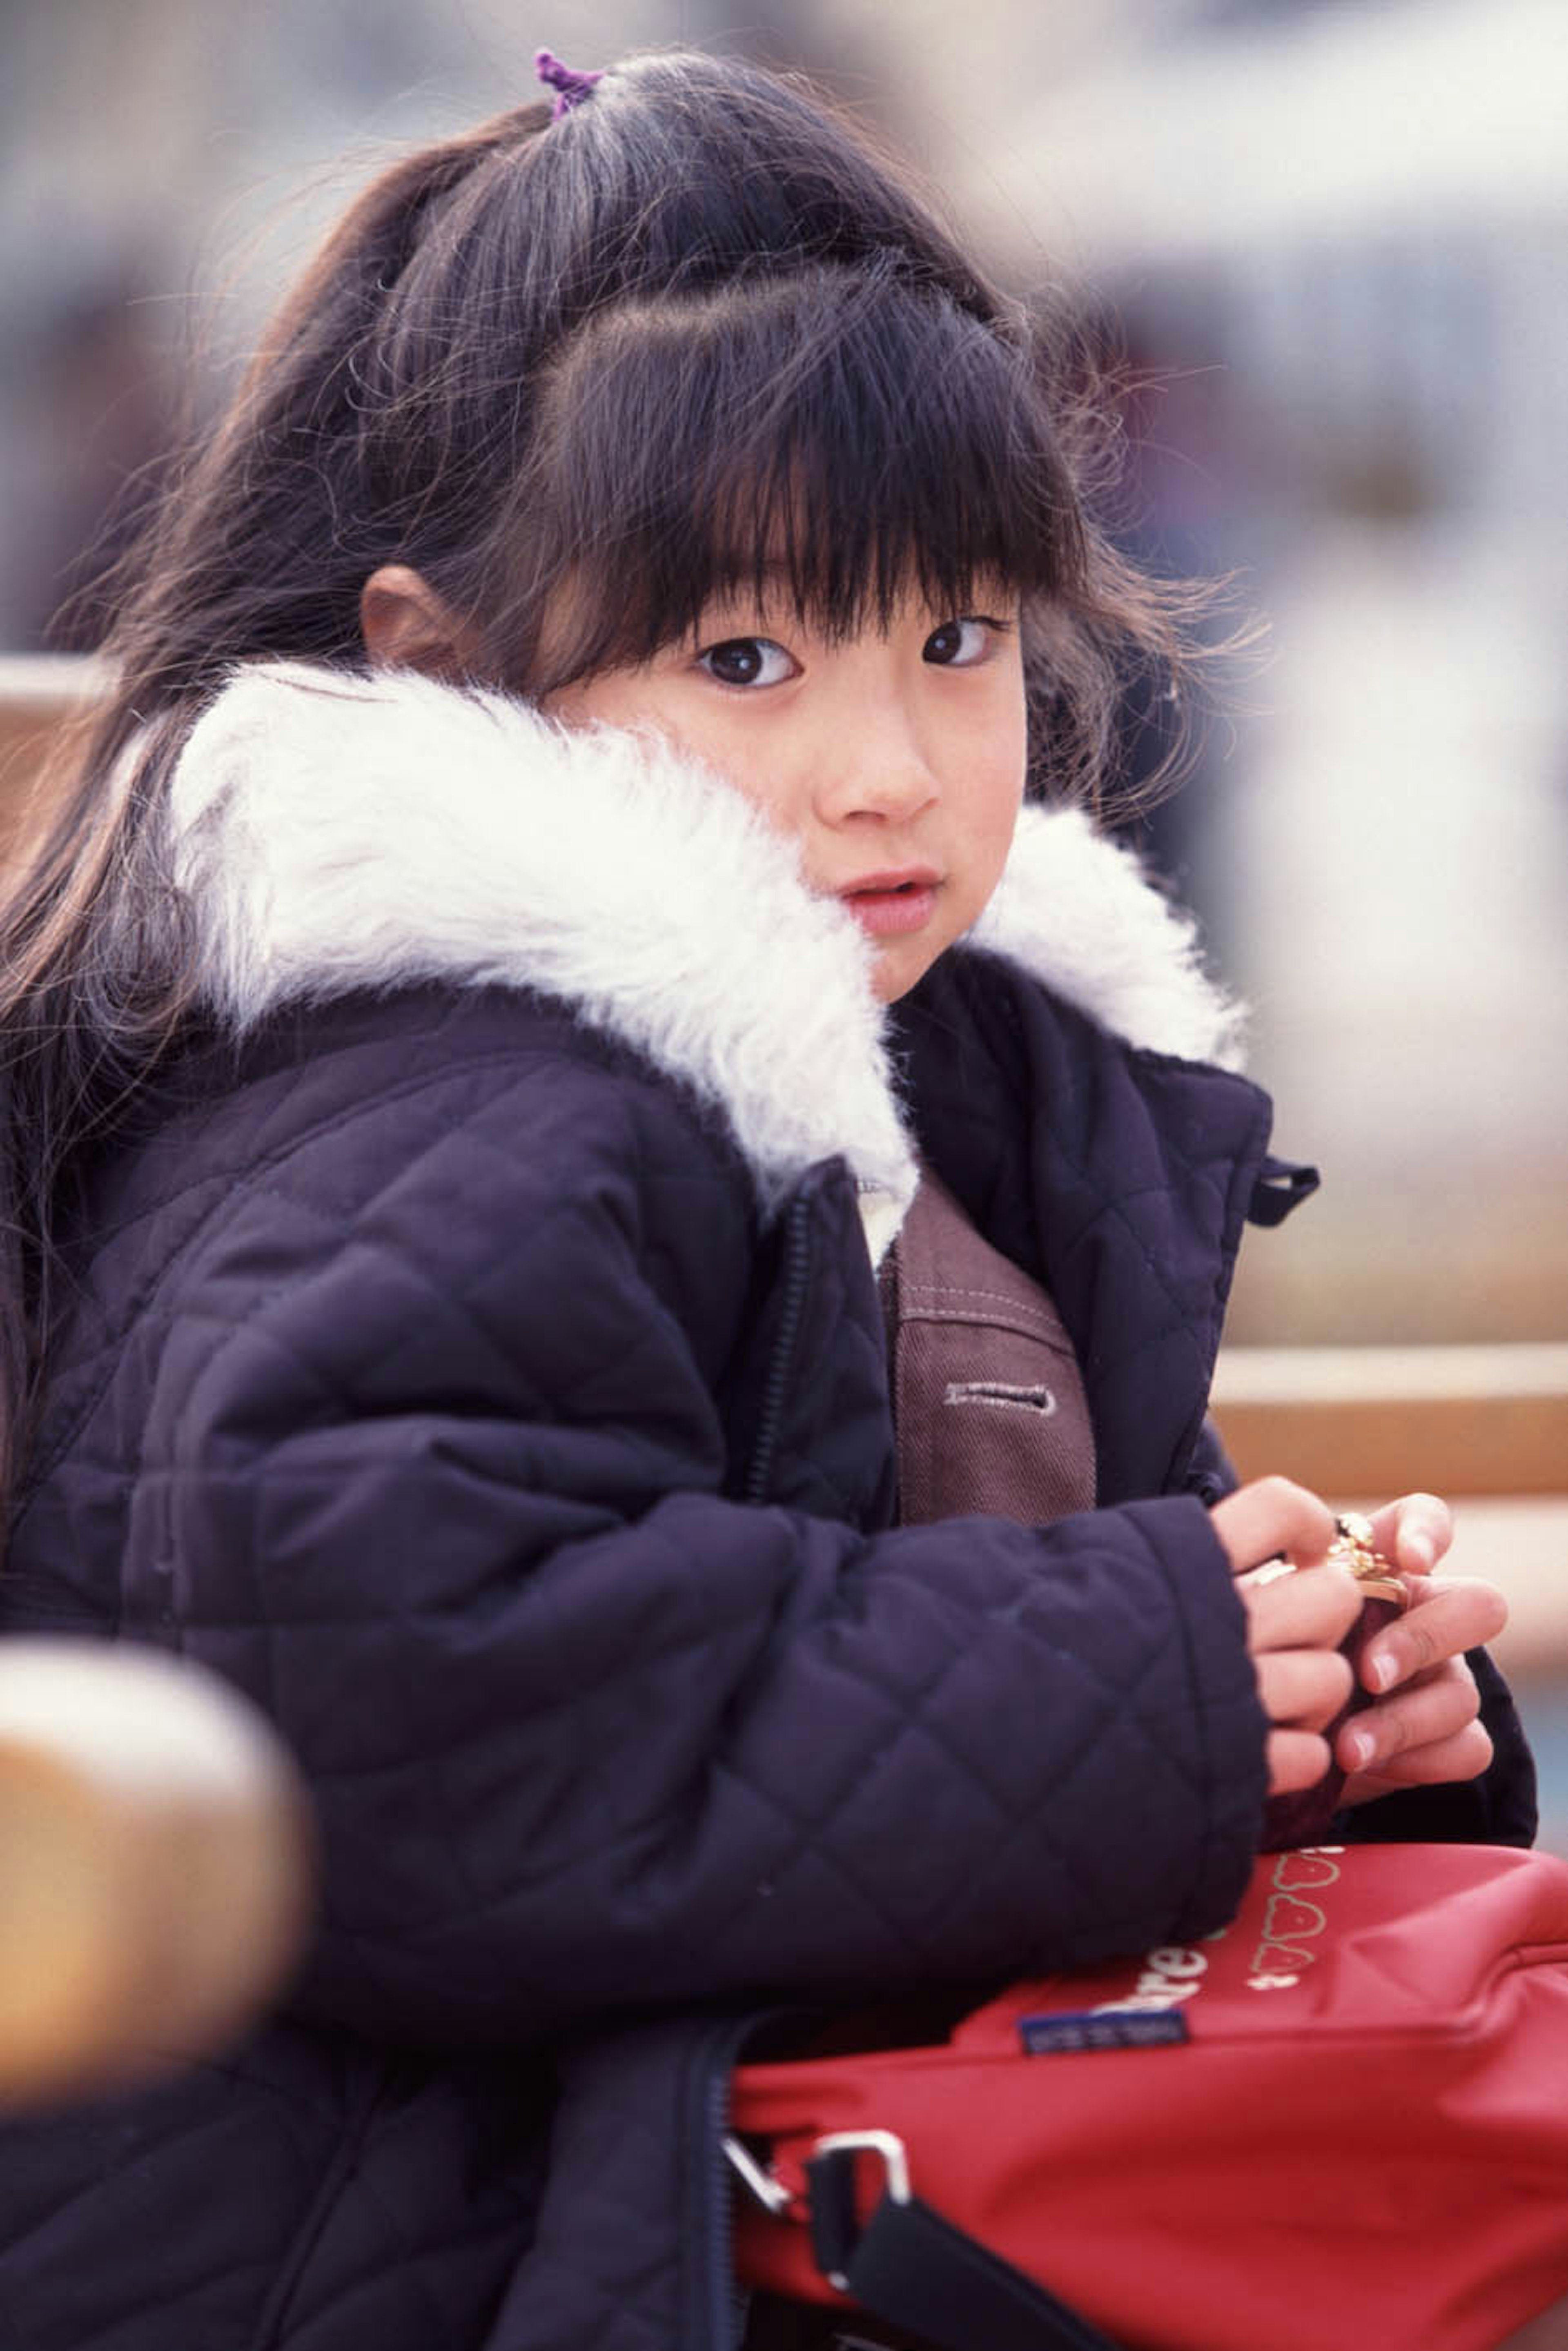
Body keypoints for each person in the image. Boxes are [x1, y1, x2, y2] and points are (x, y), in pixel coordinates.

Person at [0, 44, 1533, 2351]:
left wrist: (1314, 1695)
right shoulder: (461, 1087)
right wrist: (1169, 1672)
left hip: (710, 2170)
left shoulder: (922, 1068)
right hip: (387, 2248)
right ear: (448, 667)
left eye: (960, 637)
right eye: (746, 656)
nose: (893, 762)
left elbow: (982, 1665)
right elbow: (420, 1726)